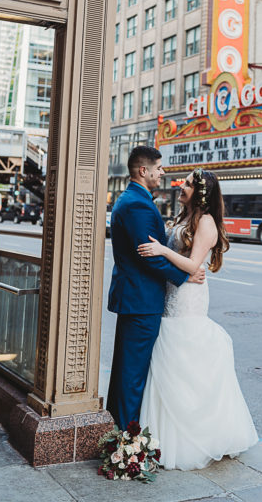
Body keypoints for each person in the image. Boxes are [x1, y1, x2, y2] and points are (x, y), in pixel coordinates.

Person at [136, 168, 258, 470]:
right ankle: (165, 432)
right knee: (169, 358)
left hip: (188, 299)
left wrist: (163, 249)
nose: (182, 187)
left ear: (201, 193)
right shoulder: (182, 218)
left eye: (188, 184)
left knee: (183, 356)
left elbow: (193, 265)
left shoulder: (206, 223)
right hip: (172, 293)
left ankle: (195, 434)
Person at [106, 146, 205, 430]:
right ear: (143, 170)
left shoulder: (133, 199)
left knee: (129, 370)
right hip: (141, 299)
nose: (162, 173)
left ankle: (119, 430)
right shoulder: (137, 204)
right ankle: (124, 439)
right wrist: (185, 277)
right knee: (133, 374)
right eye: (159, 168)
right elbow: (148, 255)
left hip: (136, 297)